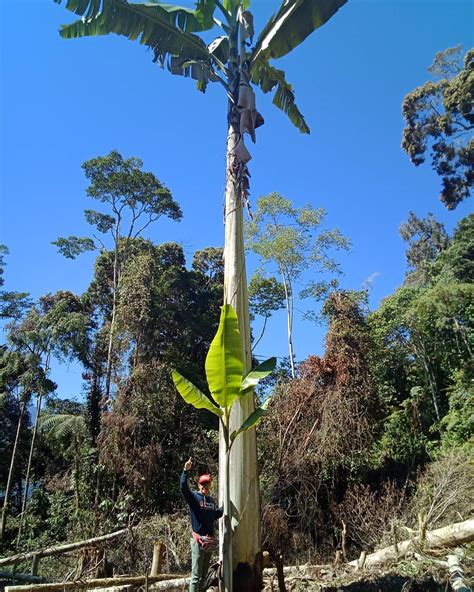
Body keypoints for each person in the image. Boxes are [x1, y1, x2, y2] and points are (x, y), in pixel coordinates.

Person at [180, 457, 223, 592]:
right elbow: (183, 488)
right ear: (199, 485)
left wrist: (225, 507)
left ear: (210, 485)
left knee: (204, 576)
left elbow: (214, 515)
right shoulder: (194, 498)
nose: (205, 487)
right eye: (202, 484)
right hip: (198, 541)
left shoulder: (210, 500)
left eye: (207, 484)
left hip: (208, 541)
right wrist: (185, 471)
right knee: (196, 576)